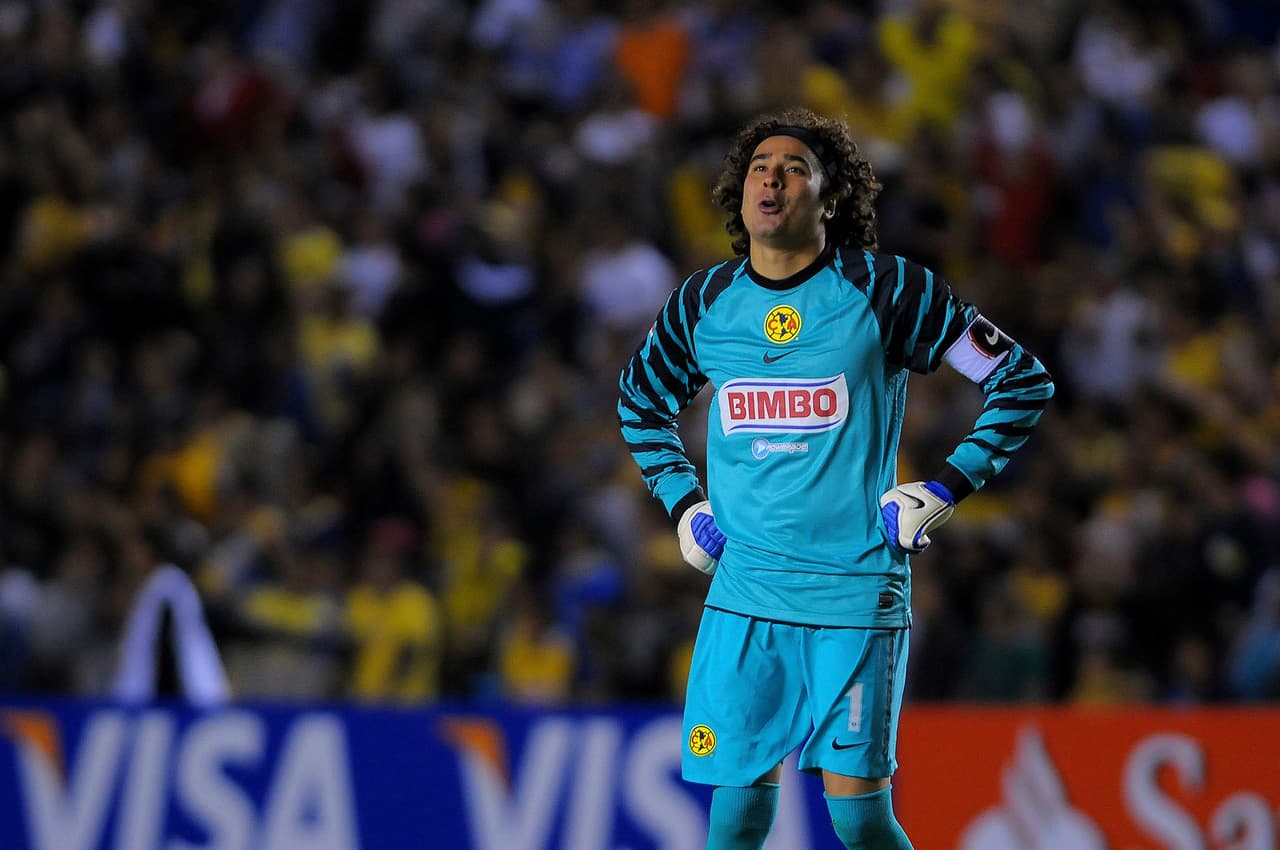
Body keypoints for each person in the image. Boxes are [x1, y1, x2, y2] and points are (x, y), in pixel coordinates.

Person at [616, 107, 1054, 849]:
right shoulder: (705, 302)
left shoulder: (887, 289)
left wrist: (945, 488)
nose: (772, 179)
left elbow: (1019, 378)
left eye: (794, 169)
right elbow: (639, 399)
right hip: (746, 592)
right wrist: (684, 505)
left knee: (857, 816)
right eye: (760, 166)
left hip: (853, 591)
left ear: (833, 198)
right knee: (736, 814)